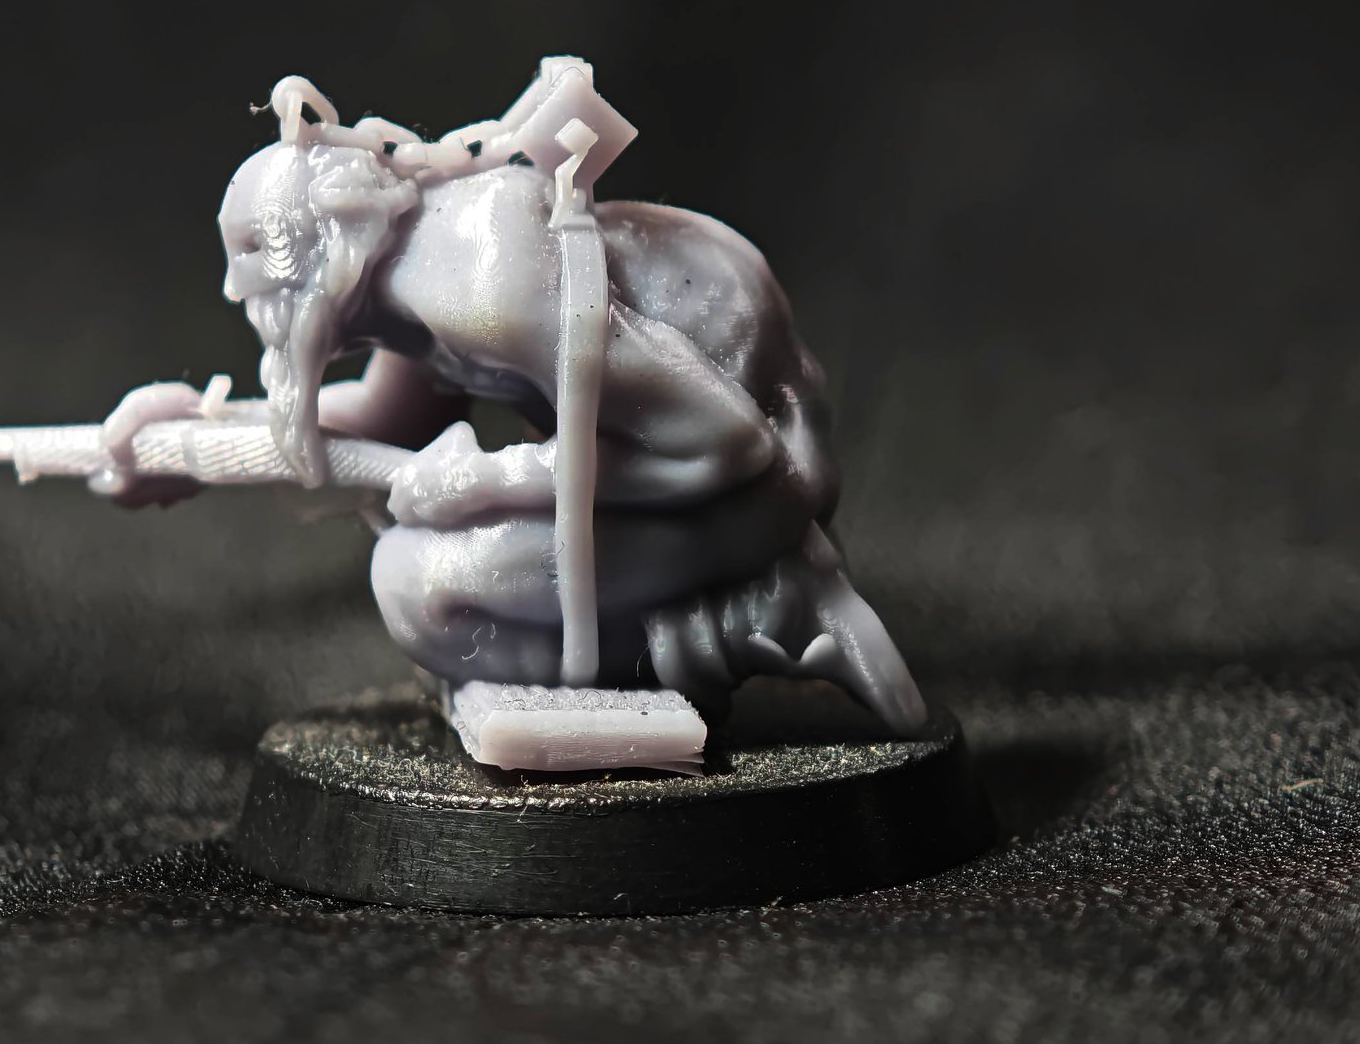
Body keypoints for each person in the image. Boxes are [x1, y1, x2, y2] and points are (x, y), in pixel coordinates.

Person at [99, 61, 927, 732]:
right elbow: (380, 429)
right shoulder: (406, 280)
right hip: (687, 479)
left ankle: (747, 616)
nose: (239, 296)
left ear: (322, 259)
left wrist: (486, 481)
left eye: (253, 268)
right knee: (419, 567)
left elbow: (726, 440)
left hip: (756, 489)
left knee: (417, 586)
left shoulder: (476, 285)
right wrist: (199, 438)